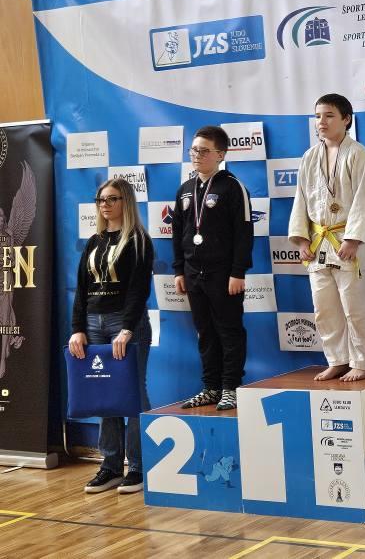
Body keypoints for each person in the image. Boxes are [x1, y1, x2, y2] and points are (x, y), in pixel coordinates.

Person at [68, 178, 153, 494]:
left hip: (125, 324)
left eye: (112, 199)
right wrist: (77, 328)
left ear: (125, 202)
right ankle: (111, 466)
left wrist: (127, 328)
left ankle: (138, 467)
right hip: (93, 323)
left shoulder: (138, 240)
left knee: (132, 393)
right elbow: (81, 289)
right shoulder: (95, 241)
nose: (105, 204)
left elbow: (138, 290)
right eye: (101, 199)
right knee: (104, 393)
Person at [289, 94, 365, 382]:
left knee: (356, 307)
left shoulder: (358, 154)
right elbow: (301, 199)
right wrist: (302, 239)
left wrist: (353, 239)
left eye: (329, 115)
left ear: (346, 119)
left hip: (349, 242)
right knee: (325, 309)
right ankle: (337, 359)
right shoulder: (309, 157)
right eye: (318, 116)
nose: (321, 122)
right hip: (319, 242)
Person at [172, 125, 253, 411]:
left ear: (220, 154)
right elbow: (178, 233)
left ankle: (230, 387)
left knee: (229, 331)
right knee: (205, 332)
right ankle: (211, 387)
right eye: (194, 150)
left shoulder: (232, 187)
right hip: (193, 274)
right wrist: (179, 270)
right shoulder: (185, 190)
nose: (197, 155)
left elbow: (244, 233)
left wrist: (238, 272)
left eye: (204, 151)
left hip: (224, 275)